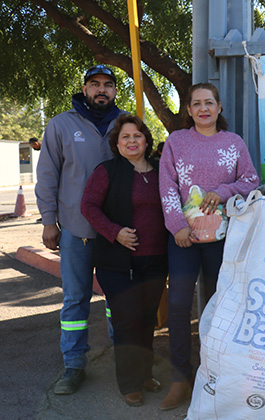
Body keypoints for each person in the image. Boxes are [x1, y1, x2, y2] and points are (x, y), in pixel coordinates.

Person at [158, 82, 259, 410]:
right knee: (178, 306)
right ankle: (180, 379)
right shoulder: (176, 142)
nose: (203, 109)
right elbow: (167, 187)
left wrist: (225, 190)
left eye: (209, 103)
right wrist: (178, 227)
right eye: (197, 104)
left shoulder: (233, 143)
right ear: (188, 110)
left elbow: (250, 180)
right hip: (184, 240)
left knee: (223, 309)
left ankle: (218, 375)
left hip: (223, 242)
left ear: (218, 108)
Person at [36, 64, 125, 395]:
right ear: (84, 89)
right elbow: (47, 174)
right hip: (76, 229)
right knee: (75, 300)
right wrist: (48, 220)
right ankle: (73, 365)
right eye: (94, 84)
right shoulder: (62, 124)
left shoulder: (125, 123)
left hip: (117, 232)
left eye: (108, 85)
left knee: (119, 297)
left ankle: (125, 364)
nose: (101, 90)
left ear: (115, 90)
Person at [80, 114, 168, 407]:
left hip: (156, 260)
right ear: (117, 145)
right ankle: (129, 384)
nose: (132, 141)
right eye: (125, 137)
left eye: (137, 136)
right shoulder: (107, 171)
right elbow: (88, 206)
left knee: (146, 322)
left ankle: (144, 375)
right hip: (118, 264)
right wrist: (115, 232)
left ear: (146, 140)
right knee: (127, 322)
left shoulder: (159, 169)